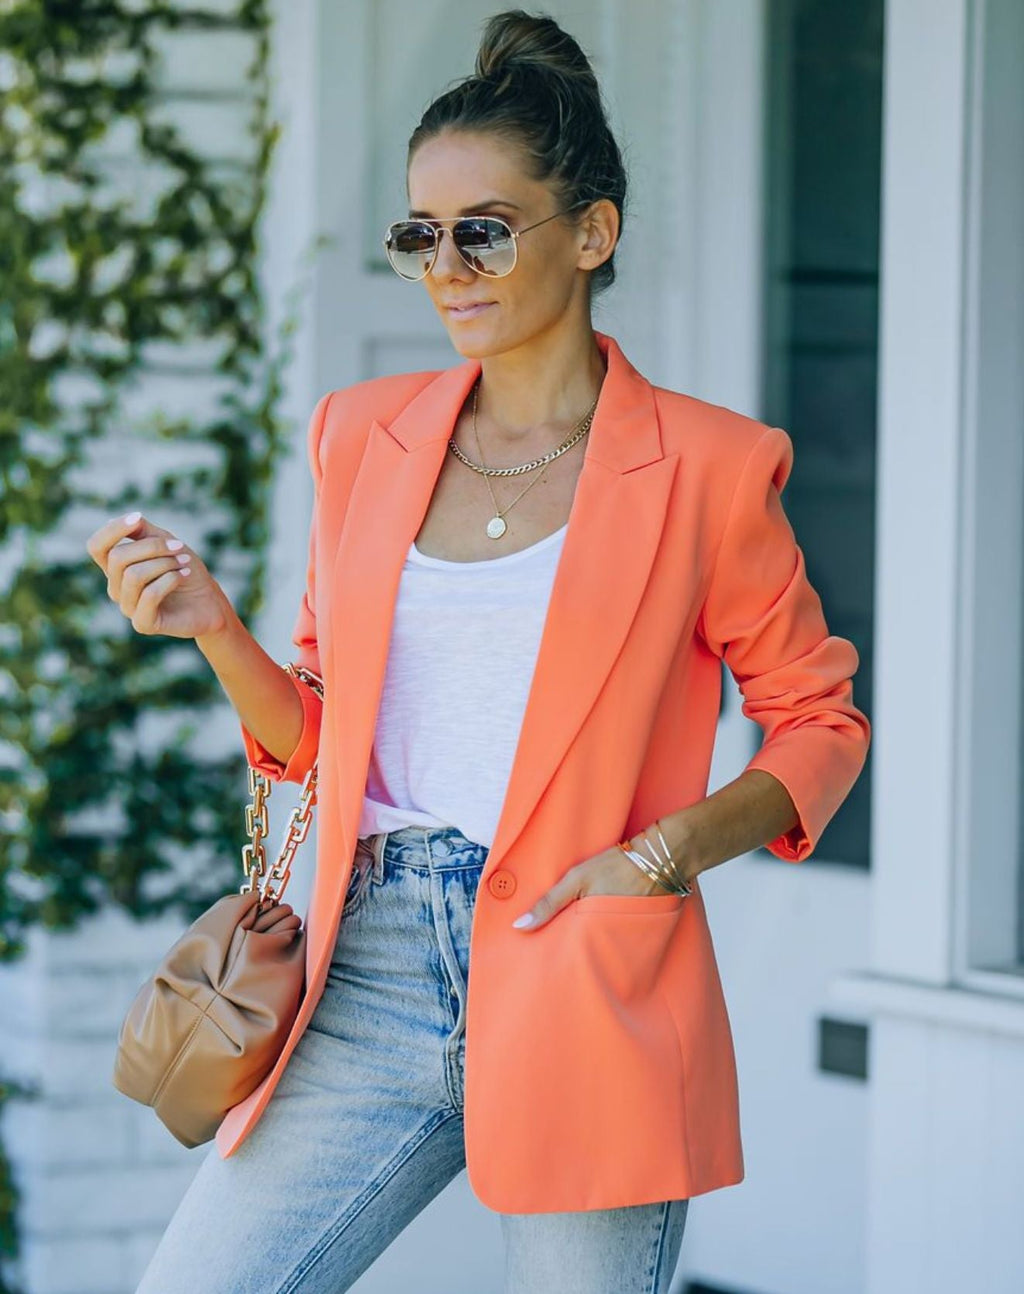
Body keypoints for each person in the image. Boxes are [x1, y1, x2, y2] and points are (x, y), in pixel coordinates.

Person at [87, 9, 871, 1292]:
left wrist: (661, 855)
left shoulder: (711, 468)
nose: (447, 268)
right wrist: (215, 629)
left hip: (585, 969)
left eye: (485, 232)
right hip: (369, 970)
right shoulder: (360, 437)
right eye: (420, 236)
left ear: (593, 232)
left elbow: (818, 721)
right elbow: (323, 735)